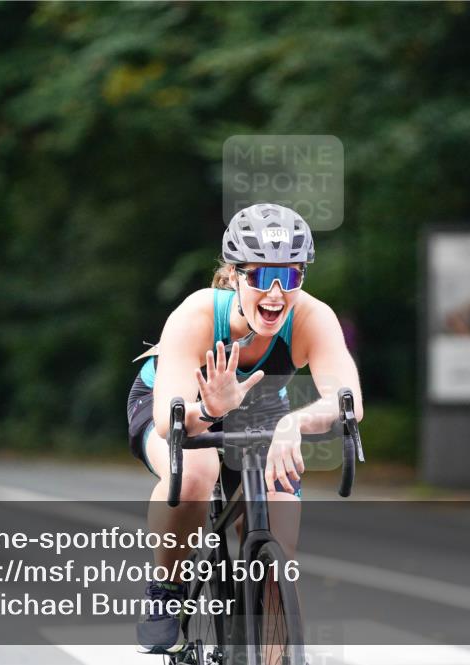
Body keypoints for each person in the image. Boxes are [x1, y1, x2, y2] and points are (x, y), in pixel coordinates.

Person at [127, 203, 363, 654]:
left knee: (279, 552)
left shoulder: (312, 318)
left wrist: (297, 421)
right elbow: (168, 420)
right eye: (261, 276)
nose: (276, 294)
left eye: (291, 277)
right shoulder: (196, 316)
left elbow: (347, 399)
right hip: (181, 404)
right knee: (196, 474)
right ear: (235, 275)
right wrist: (210, 408)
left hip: (262, 410)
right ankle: (167, 592)